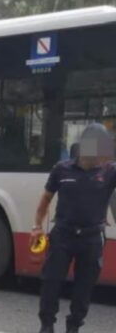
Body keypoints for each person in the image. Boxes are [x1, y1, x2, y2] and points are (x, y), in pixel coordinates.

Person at [32, 123, 116, 333]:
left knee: (84, 288)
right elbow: (45, 200)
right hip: (62, 235)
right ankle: (47, 324)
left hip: (92, 239)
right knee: (51, 282)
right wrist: (37, 226)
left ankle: (74, 326)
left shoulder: (110, 172)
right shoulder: (61, 169)